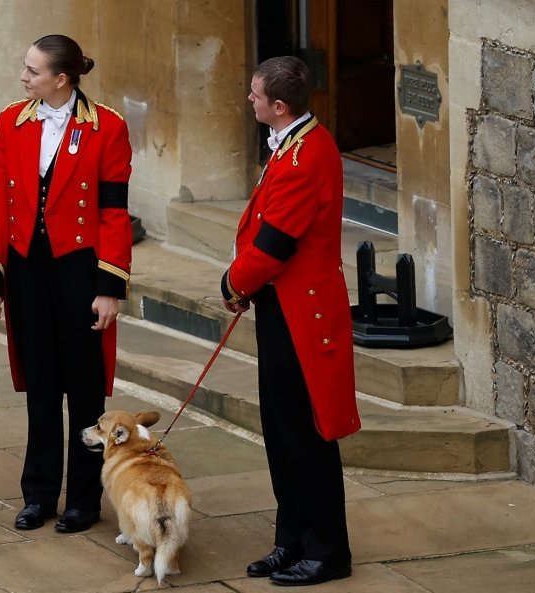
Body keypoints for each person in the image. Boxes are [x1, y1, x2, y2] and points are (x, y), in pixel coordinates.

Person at [0, 34, 132, 533]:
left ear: (60, 79)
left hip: (80, 272)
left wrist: (110, 286)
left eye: (32, 71)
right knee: (40, 386)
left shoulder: (107, 126)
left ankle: (84, 500)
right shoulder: (11, 121)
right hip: (27, 271)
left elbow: (113, 212)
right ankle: (39, 494)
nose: (24, 78)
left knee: (85, 392)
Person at [219, 56, 361, 586]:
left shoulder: (305, 155)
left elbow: (276, 242)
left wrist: (234, 283)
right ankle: (293, 539)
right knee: (280, 432)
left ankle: (327, 550)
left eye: (254, 95)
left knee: (306, 436)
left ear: (278, 106)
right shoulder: (292, 142)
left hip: (304, 314)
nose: (248, 100)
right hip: (282, 306)